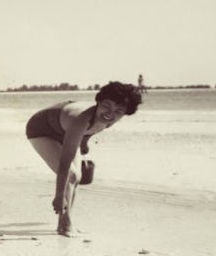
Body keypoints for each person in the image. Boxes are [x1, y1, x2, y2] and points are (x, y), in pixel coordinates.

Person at [25, 81, 142, 237]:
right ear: (98, 102)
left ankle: (66, 222)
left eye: (119, 111)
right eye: (107, 106)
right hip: (41, 129)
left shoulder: (109, 119)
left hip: (64, 128)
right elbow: (64, 163)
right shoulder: (80, 120)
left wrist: (84, 143)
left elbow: (93, 129)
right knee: (72, 176)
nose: (110, 114)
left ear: (125, 113)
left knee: (78, 177)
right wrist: (59, 196)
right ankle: (64, 225)